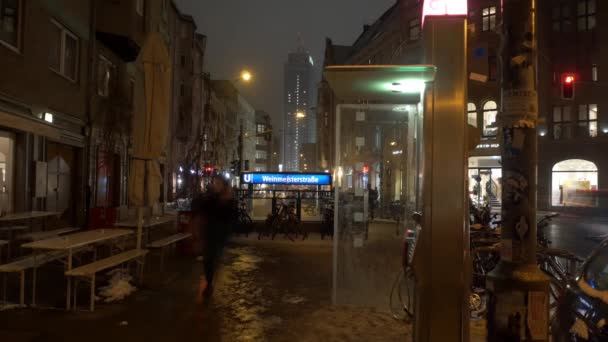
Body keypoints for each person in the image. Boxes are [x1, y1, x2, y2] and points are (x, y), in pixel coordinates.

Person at [192, 175, 235, 299]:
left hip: (219, 235)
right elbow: (202, 211)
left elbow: (230, 217)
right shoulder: (210, 198)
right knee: (208, 260)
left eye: (218, 183)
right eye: (215, 183)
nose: (216, 185)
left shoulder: (227, 200)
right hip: (209, 233)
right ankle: (209, 282)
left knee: (212, 259)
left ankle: (209, 283)